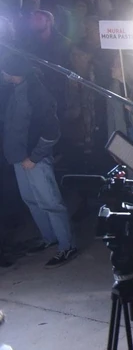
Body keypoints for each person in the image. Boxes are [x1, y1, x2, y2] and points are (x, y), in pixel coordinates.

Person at [0, 54, 76, 268]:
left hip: (33, 159)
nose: (2, 74)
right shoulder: (17, 88)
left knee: (50, 203)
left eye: (4, 70)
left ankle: (67, 246)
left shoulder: (37, 93)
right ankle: (49, 238)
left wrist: (34, 157)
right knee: (32, 200)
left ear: (14, 72)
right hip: (18, 158)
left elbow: (52, 132)